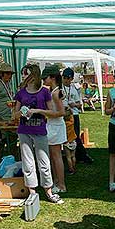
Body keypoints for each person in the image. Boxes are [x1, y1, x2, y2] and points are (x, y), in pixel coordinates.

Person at [14, 64, 63, 204]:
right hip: (24, 132)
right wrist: (22, 112)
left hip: (40, 131)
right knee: (28, 163)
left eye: (25, 73)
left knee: (44, 162)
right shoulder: (21, 93)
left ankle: (49, 191)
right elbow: (14, 115)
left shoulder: (44, 92)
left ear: (33, 75)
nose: (23, 76)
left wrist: (37, 111)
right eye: (22, 73)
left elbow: (53, 112)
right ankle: (32, 192)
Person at [39, 65, 67, 193]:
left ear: (53, 77)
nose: (43, 80)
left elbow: (62, 112)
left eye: (45, 78)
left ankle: (61, 185)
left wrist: (44, 112)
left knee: (56, 156)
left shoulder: (56, 93)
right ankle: (57, 182)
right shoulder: (55, 91)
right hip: (53, 125)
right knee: (53, 156)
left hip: (55, 126)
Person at [0, 63, 19, 157]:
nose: (9, 76)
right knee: (3, 140)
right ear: (1, 74)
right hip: (2, 117)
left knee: (13, 139)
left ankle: (12, 160)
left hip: (11, 116)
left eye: (11, 74)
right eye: (7, 73)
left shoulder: (10, 85)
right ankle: (3, 161)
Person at [62, 68, 81, 174]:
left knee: (74, 136)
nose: (66, 80)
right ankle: (67, 160)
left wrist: (74, 105)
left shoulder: (74, 89)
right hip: (64, 116)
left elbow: (80, 104)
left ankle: (73, 162)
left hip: (74, 115)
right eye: (64, 77)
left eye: (68, 78)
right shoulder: (60, 89)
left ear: (72, 79)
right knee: (65, 138)